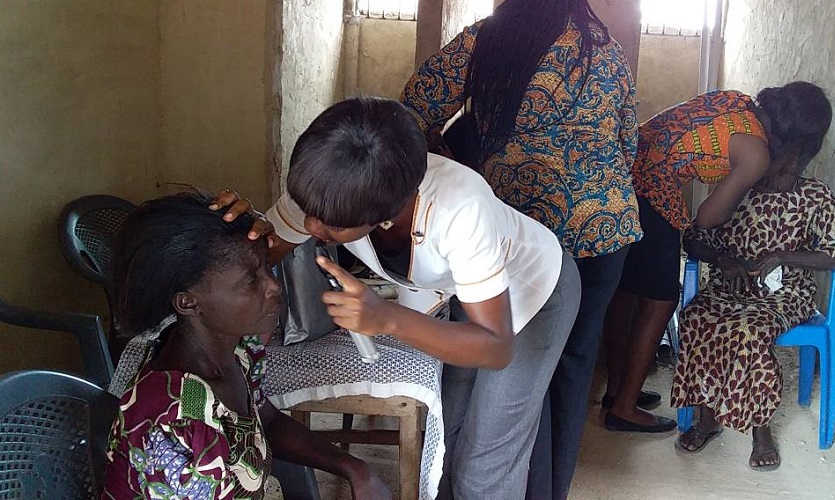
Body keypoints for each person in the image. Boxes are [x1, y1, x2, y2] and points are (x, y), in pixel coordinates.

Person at [214, 96, 581, 500]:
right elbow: (265, 249)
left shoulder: (460, 206)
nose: (311, 226)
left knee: (485, 465)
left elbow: (495, 348)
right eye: (306, 210)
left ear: (385, 212)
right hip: (462, 293)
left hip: (532, 293)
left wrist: (386, 318)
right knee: (447, 433)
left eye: (330, 225)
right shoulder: (330, 186)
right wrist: (231, 233)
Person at [400, 1, 639, 497]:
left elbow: (410, 113)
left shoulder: (487, 41)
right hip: (600, 228)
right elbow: (626, 143)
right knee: (570, 368)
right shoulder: (605, 48)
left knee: (503, 372)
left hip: (513, 234)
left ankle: (475, 484)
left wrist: (454, 167)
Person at [102, 193, 390, 499]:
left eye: (266, 267)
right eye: (251, 281)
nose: (274, 285)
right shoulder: (174, 423)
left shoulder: (236, 351)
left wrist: (356, 469)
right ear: (188, 302)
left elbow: (264, 420)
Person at [602, 82, 831, 433]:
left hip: (618, 174)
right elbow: (708, 218)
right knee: (660, 302)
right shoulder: (757, 154)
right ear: (800, 143)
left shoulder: (735, 102)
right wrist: (745, 187)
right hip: (650, 189)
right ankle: (624, 408)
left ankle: (617, 391)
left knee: (626, 293)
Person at [671, 83, 835, 471]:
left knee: (750, 329)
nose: (784, 174)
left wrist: (783, 256)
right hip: (732, 287)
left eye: (793, 168)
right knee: (698, 318)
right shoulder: (742, 189)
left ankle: (760, 428)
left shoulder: (815, 196)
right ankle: (707, 418)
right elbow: (695, 236)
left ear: (803, 162)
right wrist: (724, 261)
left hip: (786, 295)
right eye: (780, 164)